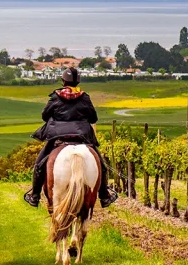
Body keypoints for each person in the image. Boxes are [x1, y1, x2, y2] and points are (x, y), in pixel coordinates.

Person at [23, 67, 117, 208]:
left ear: (63, 81)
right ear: (78, 82)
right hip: (82, 136)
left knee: (39, 164)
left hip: (58, 136)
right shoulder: (84, 97)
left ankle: (35, 195)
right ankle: (104, 195)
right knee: (101, 165)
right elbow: (93, 118)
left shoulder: (55, 97)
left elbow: (44, 116)